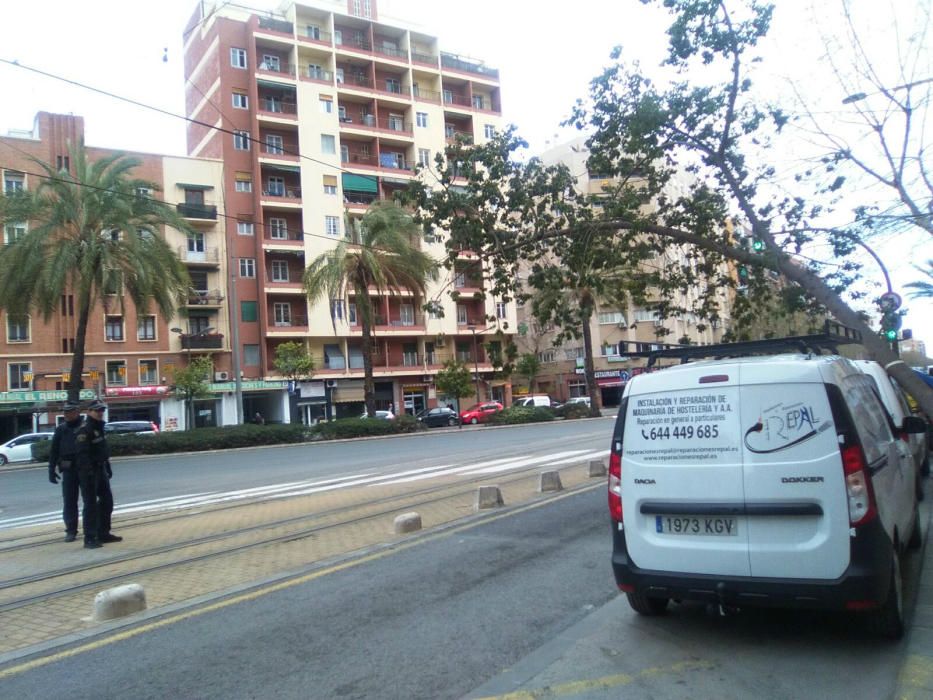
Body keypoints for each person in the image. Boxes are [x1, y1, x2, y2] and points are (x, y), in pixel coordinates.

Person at [76, 399, 122, 547]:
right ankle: (89, 538)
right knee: (90, 505)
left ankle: (103, 533)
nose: (100, 413)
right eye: (97, 410)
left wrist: (107, 466)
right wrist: (88, 471)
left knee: (107, 502)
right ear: (89, 411)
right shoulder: (85, 429)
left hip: (100, 468)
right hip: (89, 471)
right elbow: (82, 453)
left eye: (102, 410)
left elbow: (102, 449)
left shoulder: (99, 427)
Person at [48, 401, 86, 542]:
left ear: (77, 412)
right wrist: (51, 469)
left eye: (69, 412)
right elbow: (54, 450)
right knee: (69, 501)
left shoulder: (86, 428)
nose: (66, 415)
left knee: (89, 500)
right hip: (69, 469)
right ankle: (71, 530)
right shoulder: (61, 429)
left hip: (85, 468)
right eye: (65, 412)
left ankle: (91, 528)